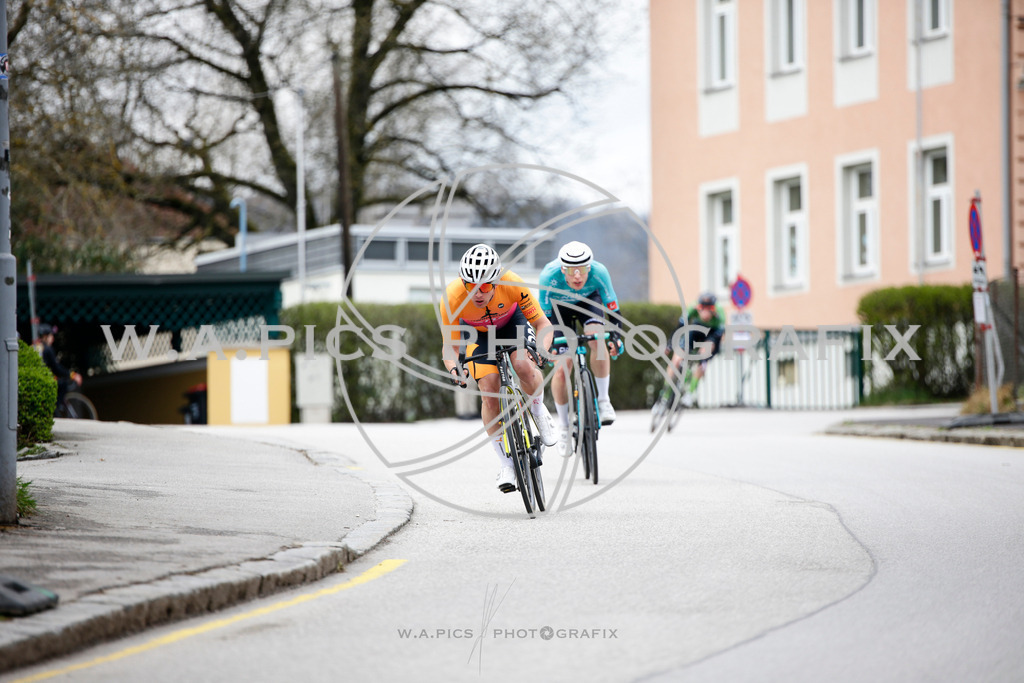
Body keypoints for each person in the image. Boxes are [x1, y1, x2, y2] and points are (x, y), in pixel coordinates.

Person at [440, 244, 557, 493]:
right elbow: (448, 347)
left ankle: (538, 412)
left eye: (484, 286)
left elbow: (542, 323)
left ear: (496, 281)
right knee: (489, 390)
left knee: (523, 364)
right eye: (471, 286)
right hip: (477, 333)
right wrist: (454, 370)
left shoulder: (512, 283)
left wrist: (543, 351)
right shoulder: (451, 298)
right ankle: (506, 465)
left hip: (512, 323)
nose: (477, 293)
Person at [538, 241, 622, 453]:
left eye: (583, 269)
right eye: (572, 271)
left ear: (590, 268)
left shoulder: (599, 273)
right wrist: (547, 347)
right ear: (562, 269)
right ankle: (564, 426)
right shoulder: (549, 277)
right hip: (558, 311)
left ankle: (603, 400)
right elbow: (542, 320)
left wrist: (616, 338)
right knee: (562, 367)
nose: (578, 276)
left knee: (597, 339)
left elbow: (613, 310)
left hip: (588, 303)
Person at [664, 292, 726, 407]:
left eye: (708, 310)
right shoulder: (693, 307)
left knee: (704, 355)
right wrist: (669, 345)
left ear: (713, 310)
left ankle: (690, 393)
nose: (705, 313)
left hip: (713, 334)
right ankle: (665, 392)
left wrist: (704, 359)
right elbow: (679, 327)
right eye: (702, 309)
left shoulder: (719, 312)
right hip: (696, 329)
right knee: (676, 359)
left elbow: (720, 335)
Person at [37, 323, 83, 414]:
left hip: (39, 379)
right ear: (45, 336)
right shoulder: (47, 349)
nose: (52, 338)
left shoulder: (36, 347)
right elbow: (56, 368)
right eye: (51, 335)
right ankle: (55, 409)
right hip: (45, 380)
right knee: (63, 385)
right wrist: (72, 375)